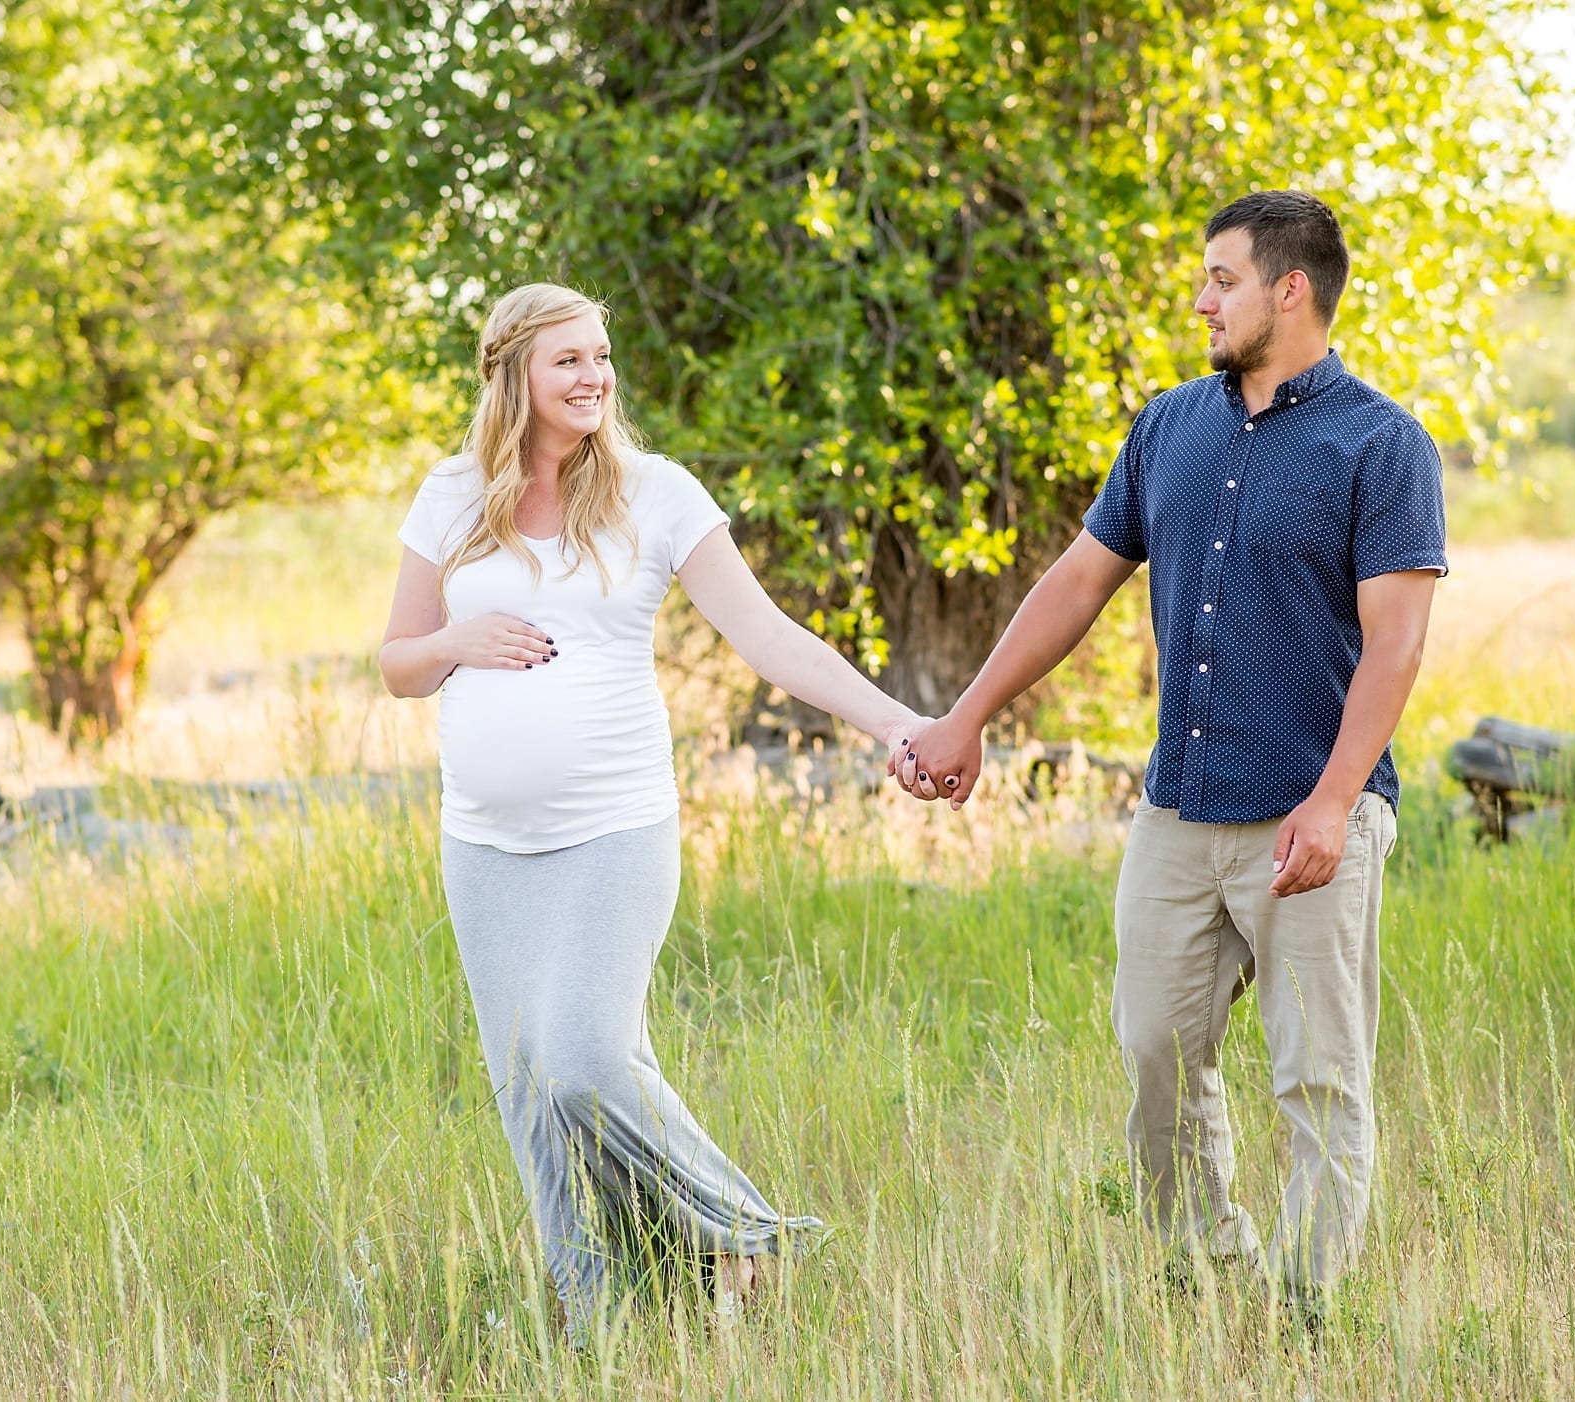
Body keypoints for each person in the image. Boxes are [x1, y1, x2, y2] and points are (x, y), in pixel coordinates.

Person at [894, 191, 1445, 1310]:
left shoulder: (1383, 446)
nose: (1202, 300)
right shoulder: (1167, 425)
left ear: (1290, 290)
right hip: (1178, 813)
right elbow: (1078, 583)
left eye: (1222, 279)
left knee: (1320, 1079)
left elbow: (1396, 645)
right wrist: (971, 712)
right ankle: (1208, 1276)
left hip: (1310, 816)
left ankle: (1305, 1313)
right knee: (1156, 1053)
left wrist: (1337, 800)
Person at [380, 283, 924, 1345]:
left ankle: (753, 1232)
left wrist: (899, 727)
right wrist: (457, 642)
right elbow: (398, 663)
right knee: (533, 1099)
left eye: (601, 356)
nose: (594, 377)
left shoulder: (658, 495)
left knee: (584, 1057)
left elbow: (773, 643)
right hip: (484, 847)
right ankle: (607, 1324)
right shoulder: (451, 497)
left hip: (612, 829)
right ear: (513, 379)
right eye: (567, 361)